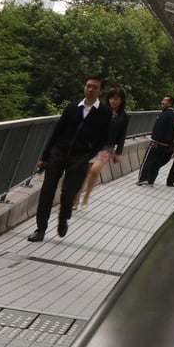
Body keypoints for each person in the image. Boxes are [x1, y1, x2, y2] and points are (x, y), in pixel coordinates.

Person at [28, 76, 113, 242]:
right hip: (58, 153)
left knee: (69, 192)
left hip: (80, 157)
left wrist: (89, 153)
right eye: (88, 86)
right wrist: (45, 156)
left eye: (94, 87)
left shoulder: (104, 113)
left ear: (99, 90)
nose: (90, 89)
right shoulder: (72, 108)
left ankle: (63, 217)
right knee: (47, 191)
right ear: (84, 87)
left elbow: (103, 138)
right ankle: (41, 229)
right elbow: (57, 132)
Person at [75, 86, 130, 209]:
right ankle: (77, 197)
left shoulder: (124, 116)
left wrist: (118, 152)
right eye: (111, 98)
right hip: (93, 145)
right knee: (84, 172)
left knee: (95, 170)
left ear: (121, 100)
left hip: (107, 147)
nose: (113, 101)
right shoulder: (100, 110)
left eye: (117, 99)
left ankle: (87, 196)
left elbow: (122, 134)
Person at [137, 96, 174, 186]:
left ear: (170, 103)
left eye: (164, 101)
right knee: (157, 163)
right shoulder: (173, 115)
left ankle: (143, 178)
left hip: (157, 143)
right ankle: (151, 180)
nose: (162, 102)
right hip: (165, 144)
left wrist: (155, 140)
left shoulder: (164, 114)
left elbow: (159, 128)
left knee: (148, 160)